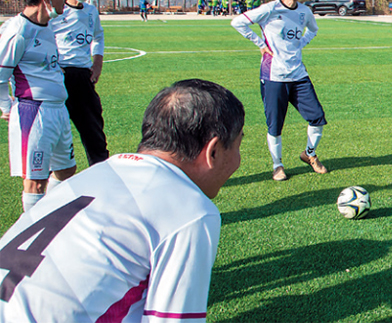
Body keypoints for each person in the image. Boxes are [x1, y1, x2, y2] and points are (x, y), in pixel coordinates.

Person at [0, 79, 244, 321]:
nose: (238, 158)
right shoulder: (191, 210)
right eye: (237, 145)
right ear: (212, 151)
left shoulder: (95, 174)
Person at [231, 0, 328, 181]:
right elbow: (238, 22)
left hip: (299, 75)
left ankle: (309, 155)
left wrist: (302, 42)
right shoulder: (270, 9)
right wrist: (260, 43)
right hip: (273, 76)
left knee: (317, 119)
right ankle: (277, 166)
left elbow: (313, 30)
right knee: (275, 126)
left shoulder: (304, 11)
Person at [0, 0, 76, 212]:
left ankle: (47, 217)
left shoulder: (46, 27)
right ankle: (31, 233)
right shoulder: (17, 31)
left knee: (66, 170)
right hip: (34, 113)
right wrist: (6, 107)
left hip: (58, 111)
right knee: (35, 181)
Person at [52, 0, 108, 166]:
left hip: (83, 77)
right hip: (58, 77)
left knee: (94, 131)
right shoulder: (53, 12)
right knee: (56, 132)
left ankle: (101, 173)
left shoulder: (91, 11)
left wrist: (97, 63)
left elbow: (98, 37)